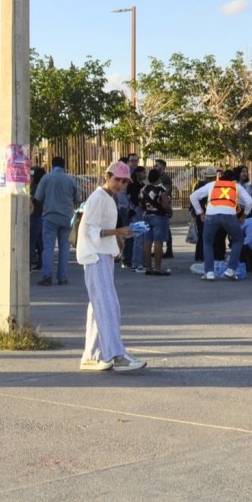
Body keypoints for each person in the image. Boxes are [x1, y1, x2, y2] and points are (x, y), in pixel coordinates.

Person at [75, 161, 146, 372]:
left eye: (124, 182)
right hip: (96, 256)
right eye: (118, 180)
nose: (120, 185)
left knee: (100, 306)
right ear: (108, 176)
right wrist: (118, 233)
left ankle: (93, 355)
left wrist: (117, 236)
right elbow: (90, 230)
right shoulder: (99, 197)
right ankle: (115, 355)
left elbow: (99, 229)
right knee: (106, 305)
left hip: (101, 255)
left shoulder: (106, 197)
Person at [190, 169, 252, 281]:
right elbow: (249, 201)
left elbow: (193, 196)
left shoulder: (212, 184)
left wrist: (200, 213)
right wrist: (244, 215)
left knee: (208, 242)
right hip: (230, 216)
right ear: (233, 179)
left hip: (211, 215)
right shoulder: (236, 186)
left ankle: (209, 272)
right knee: (238, 240)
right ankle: (231, 270)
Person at [35, 156, 78, 286]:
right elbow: (78, 198)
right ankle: (62, 277)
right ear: (64, 165)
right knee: (65, 248)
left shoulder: (46, 178)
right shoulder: (71, 180)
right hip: (67, 217)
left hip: (50, 217)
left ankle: (47, 276)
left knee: (48, 247)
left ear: (51, 165)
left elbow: (38, 197)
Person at [139, 168, 172, 275]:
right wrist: (170, 212)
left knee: (147, 243)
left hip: (146, 216)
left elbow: (140, 203)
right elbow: (165, 204)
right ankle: (158, 268)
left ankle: (148, 267)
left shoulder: (143, 189)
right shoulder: (161, 190)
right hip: (159, 217)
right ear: (158, 178)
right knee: (158, 242)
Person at [155, 158, 175, 258]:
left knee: (166, 228)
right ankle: (159, 249)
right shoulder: (158, 177)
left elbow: (166, 191)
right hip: (158, 205)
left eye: (157, 165)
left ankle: (169, 250)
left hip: (164, 204)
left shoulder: (165, 178)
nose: (155, 167)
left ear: (162, 167)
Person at [28, 166, 45, 271]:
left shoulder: (34, 188)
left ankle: (28, 265)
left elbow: (31, 200)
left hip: (34, 216)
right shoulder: (43, 186)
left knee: (31, 243)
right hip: (42, 216)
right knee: (41, 243)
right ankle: (41, 263)